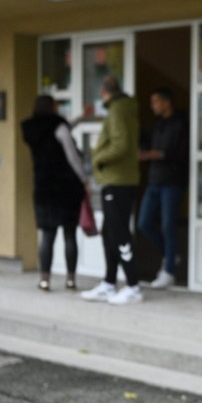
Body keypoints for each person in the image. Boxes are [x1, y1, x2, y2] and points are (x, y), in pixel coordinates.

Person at [80, 75, 143, 305]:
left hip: (118, 181)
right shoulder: (123, 108)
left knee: (118, 233)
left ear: (103, 92)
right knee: (109, 233)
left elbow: (121, 144)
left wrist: (98, 158)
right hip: (118, 180)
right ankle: (109, 283)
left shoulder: (117, 110)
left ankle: (133, 286)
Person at [21, 95, 87, 292]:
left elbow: (60, 129)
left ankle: (44, 279)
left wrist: (81, 118)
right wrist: (84, 179)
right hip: (66, 187)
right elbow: (72, 156)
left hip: (43, 187)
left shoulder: (31, 128)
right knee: (69, 234)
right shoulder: (59, 126)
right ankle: (70, 279)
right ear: (52, 107)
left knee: (47, 236)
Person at [137, 87, 189, 289]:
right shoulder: (158, 123)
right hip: (154, 181)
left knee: (168, 225)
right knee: (144, 223)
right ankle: (170, 255)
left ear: (167, 102)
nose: (153, 106)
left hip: (172, 181)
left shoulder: (181, 122)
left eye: (155, 101)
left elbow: (179, 153)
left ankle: (168, 271)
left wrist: (154, 155)